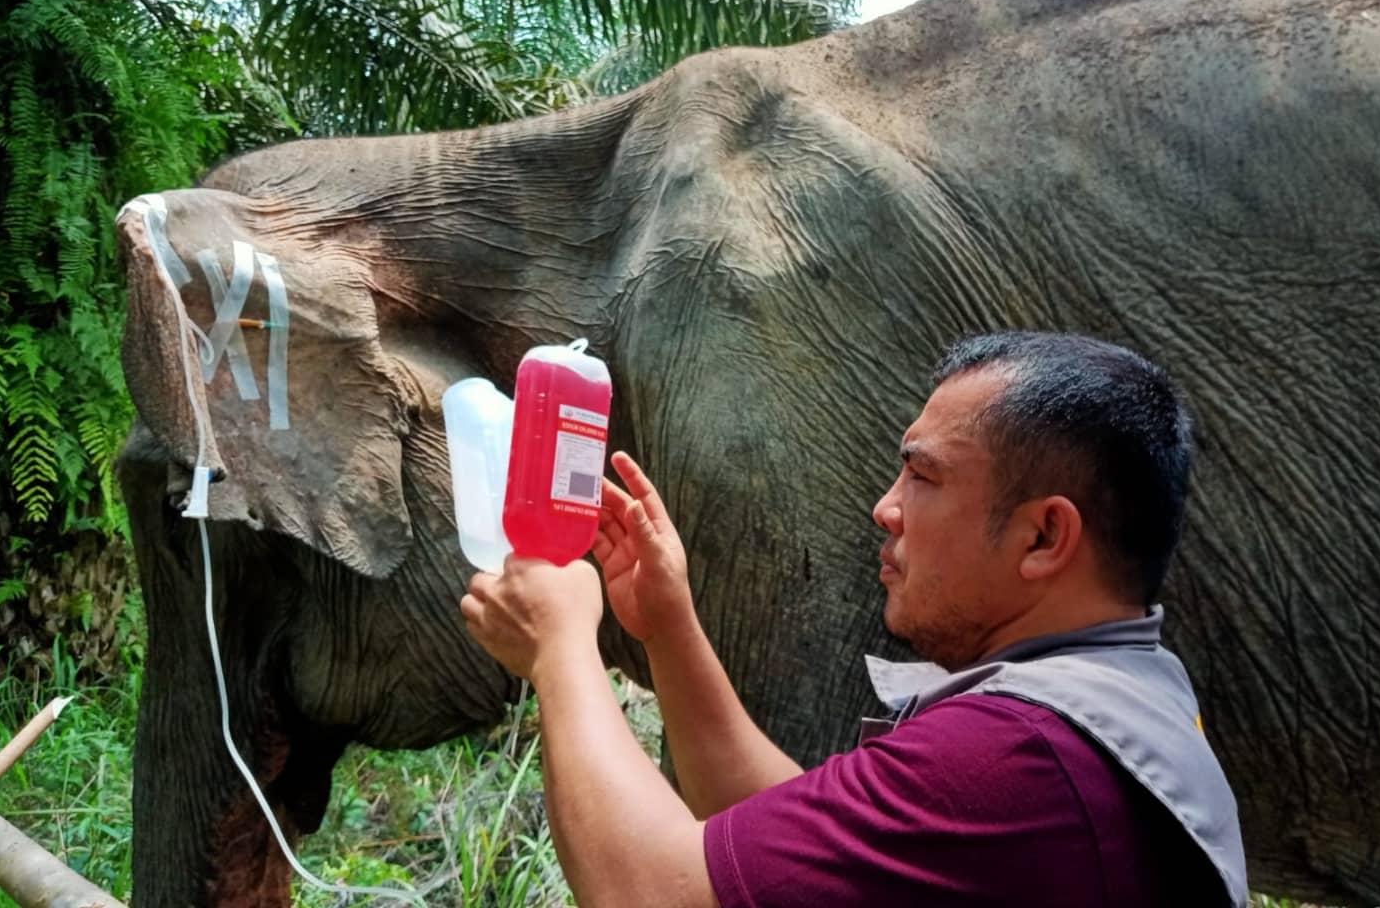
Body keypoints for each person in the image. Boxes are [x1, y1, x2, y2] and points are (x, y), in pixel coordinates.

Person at [459, 331, 1248, 907]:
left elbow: (653, 894)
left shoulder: (1020, 756)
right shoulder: (1124, 699)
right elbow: (775, 845)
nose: (886, 508)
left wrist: (561, 652)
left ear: (1043, 536)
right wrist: (667, 625)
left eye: (923, 476)